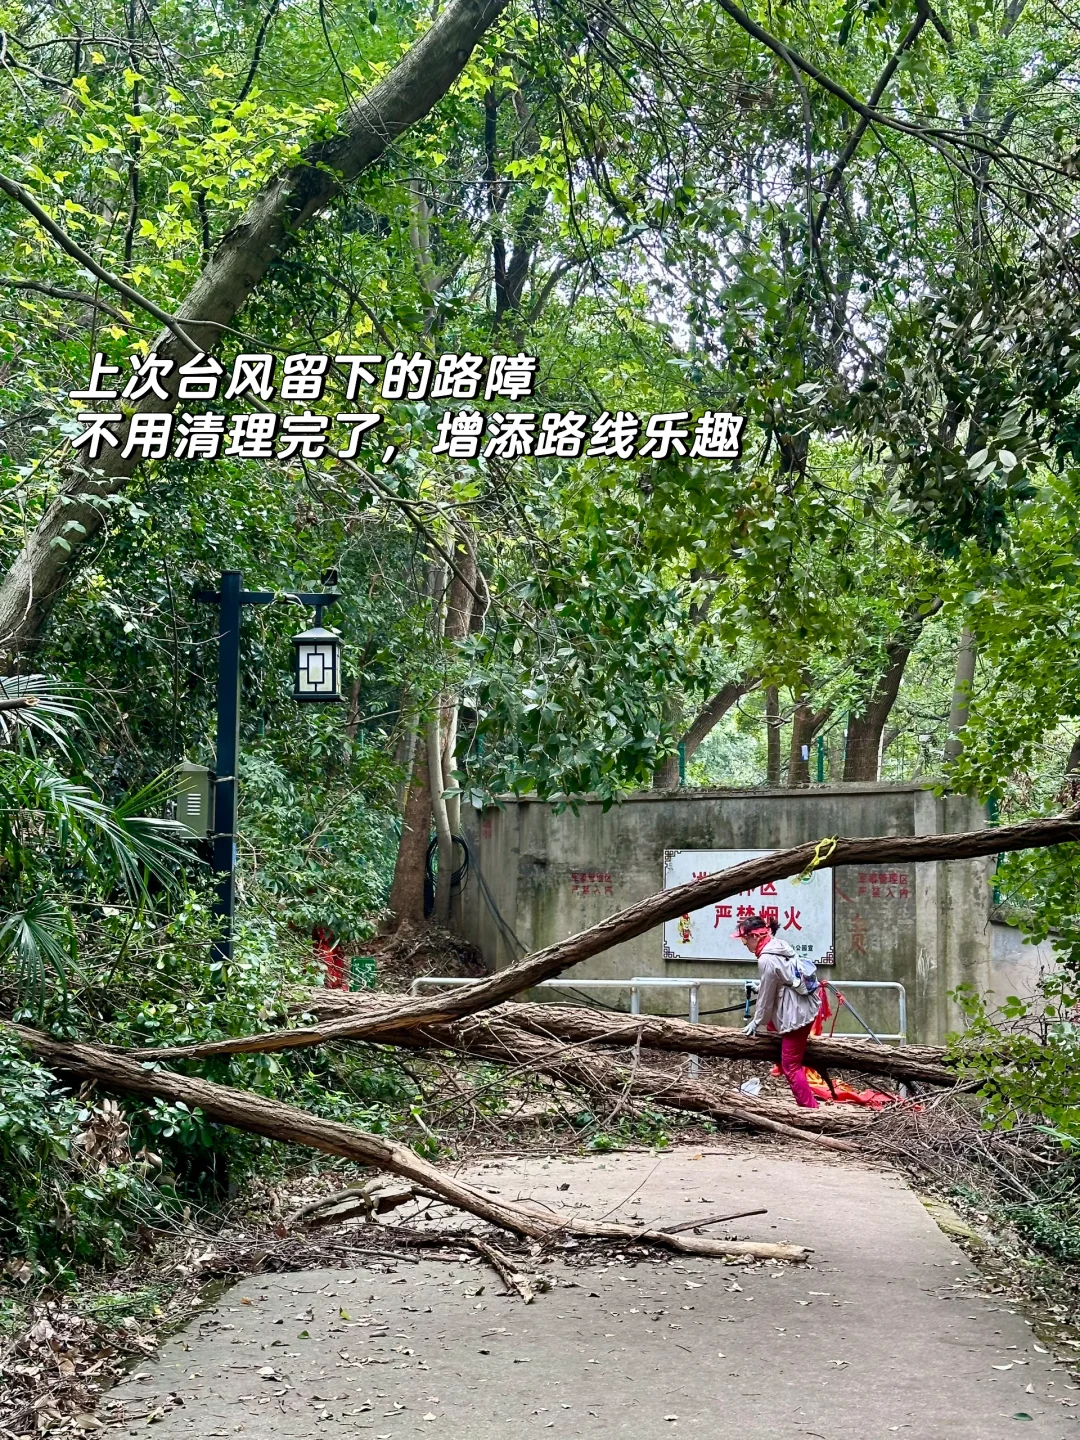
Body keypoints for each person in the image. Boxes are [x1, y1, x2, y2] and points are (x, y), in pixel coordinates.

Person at [734, 913, 820, 1109]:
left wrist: (757, 1021)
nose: (744, 945)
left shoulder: (766, 959)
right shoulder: (777, 945)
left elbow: (766, 996)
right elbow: (776, 981)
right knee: (787, 1058)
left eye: (744, 940)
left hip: (795, 1013)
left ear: (755, 936)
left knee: (791, 1066)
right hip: (803, 1005)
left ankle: (811, 1111)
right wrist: (760, 986)